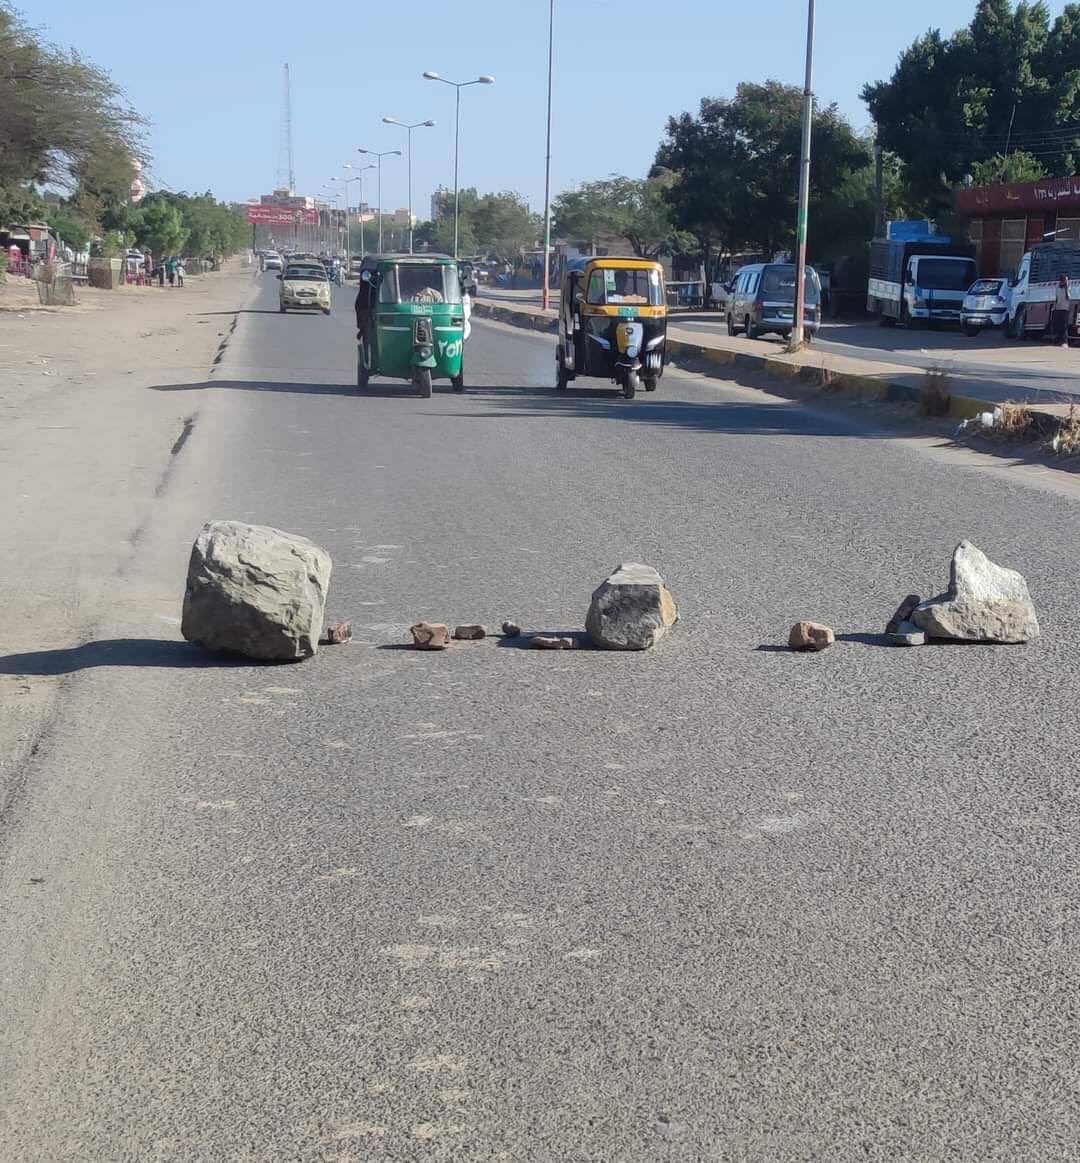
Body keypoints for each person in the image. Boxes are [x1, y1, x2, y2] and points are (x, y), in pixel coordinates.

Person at [1053, 273, 1074, 347]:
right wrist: (1054, 307)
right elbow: (1056, 297)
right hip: (1058, 307)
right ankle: (1059, 340)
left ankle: (1065, 342)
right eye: (1065, 280)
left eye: (1067, 280)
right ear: (1061, 281)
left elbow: (1068, 297)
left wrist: (1066, 288)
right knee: (1058, 325)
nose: (1066, 281)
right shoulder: (1057, 287)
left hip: (1065, 308)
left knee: (1064, 326)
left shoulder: (1068, 287)